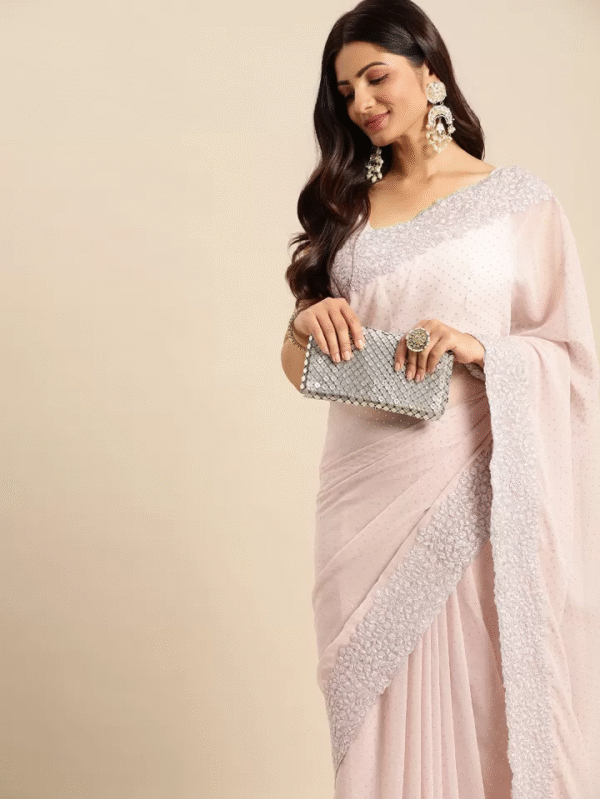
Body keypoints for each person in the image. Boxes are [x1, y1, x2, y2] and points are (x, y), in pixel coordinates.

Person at [280, 1, 600, 796]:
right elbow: (301, 366)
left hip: (476, 488)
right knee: (372, 720)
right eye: (345, 91)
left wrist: (483, 347)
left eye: (376, 77)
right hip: (362, 500)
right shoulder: (345, 211)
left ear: (429, 71)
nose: (361, 103)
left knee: (485, 703)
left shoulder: (519, 204)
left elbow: (572, 362)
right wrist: (303, 324)